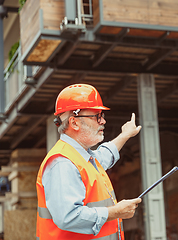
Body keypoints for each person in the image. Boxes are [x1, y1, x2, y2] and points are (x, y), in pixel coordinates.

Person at [36, 83, 142, 240]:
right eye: (96, 116)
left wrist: (125, 134)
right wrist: (116, 212)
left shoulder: (81, 157)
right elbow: (68, 217)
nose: (103, 121)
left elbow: (104, 156)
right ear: (74, 123)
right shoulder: (62, 163)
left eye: (102, 116)